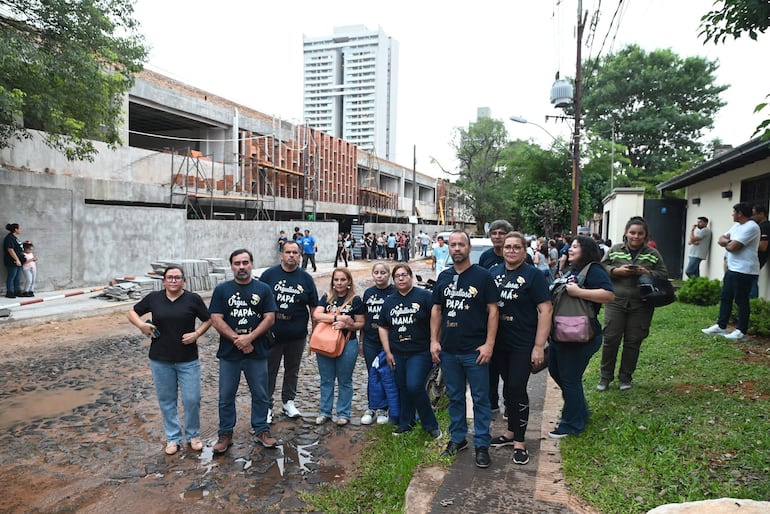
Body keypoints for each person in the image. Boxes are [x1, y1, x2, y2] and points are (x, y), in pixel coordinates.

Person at [430, 230, 499, 468]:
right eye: (453, 245)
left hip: (475, 351)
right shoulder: (444, 276)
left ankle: (482, 444)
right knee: (455, 397)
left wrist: (489, 344)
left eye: (461, 244)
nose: (457, 248)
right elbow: (436, 310)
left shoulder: (483, 276)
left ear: (469, 248)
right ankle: (458, 439)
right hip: (449, 350)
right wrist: (434, 341)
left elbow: (493, 311)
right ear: (447, 248)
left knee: (480, 399)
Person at [127, 266, 212, 455]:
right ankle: (173, 438)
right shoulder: (154, 298)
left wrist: (197, 333)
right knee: (167, 400)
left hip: (188, 359)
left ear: (184, 280)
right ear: (164, 281)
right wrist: (141, 325)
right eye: (170, 277)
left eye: (177, 277)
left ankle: (193, 435)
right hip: (160, 359)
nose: (173, 280)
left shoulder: (193, 299)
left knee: (192, 399)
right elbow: (132, 312)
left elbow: (208, 319)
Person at [488, 232, 551, 464]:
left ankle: (520, 442)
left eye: (516, 247)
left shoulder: (534, 275)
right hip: (499, 343)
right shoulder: (493, 273)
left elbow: (546, 310)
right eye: (508, 247)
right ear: (502, 249)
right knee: (507, 388)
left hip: (523, 343)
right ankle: (510, 433)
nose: (511, 250)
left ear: (525, 251)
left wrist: (539, 346)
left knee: (517, 387)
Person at [209, 249, 278, 454]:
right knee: (226, 395)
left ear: (252, 264)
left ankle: (261, 429)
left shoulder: (263, 289)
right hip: (229, 353)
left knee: (260, 393)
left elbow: (270, 318)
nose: (241, 267)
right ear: (231, 266)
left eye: (245, 262)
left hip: (257, 351)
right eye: (237, 263)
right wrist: (237, 339)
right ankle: (225, 434)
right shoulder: (222, 290)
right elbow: (216, 319)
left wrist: (250, 337)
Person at [548, 236, 614, 438]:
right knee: (556, 372)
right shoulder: (573, 269)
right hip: (561, 333)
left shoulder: (594, 270)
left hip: (580, 335)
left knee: (570, 379)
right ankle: (580, 410)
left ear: (586, 249)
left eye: (575, 246)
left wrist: (578, 292)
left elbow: (608, 295)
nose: (570, 249)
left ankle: (572, 424)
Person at [599, 216, 668, 391]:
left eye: (640, 233)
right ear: (626, 233)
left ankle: (625, 378)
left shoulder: (653, 254)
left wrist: (647, 272)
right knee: (611, 339)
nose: (636, 236)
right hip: (616, 301)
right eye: (632, 233)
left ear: (645, 235)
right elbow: (601, 268)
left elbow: (663, 274)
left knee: (633, 342)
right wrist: (616, 271)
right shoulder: (615, 250)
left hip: (642, 304)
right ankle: (605, 378)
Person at [378, 263, 441, 438]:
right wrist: (388, 352)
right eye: (397, 276)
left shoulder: (424, 296)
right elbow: (382, 326)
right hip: (398, 351)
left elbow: (437, 318)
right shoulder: (389, 301)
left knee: (414, 385)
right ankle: (407, 423)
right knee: (403, 388)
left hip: (420, 351)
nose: (401, 279)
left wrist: (435, 341)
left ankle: (430, 425)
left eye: (404, 275)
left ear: (411, 276)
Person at [261, 240, 319, 422]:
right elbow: (259, 303)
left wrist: (315, 332)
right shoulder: (269, 275)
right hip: (272, 334)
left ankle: (288, 401)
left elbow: (314, 307)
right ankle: (266, 406)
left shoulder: (306, 278)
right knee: (269, 370)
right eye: (288, 252)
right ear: (281, 254)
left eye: (295, 252)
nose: (291, 255)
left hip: (297, 334)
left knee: (292, 369)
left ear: (300, 255)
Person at [312, 267, 365, 426]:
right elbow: (316, 315)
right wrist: (338, 318)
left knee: (345, 380)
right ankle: (325, 412)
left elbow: (361, 323)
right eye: (336, 280)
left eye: (343, 279)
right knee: (326, 379)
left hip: (347, 343)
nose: (339, 283)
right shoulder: (327, 297)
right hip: (325, 342)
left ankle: (343, 413)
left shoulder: (355, 300)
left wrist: (348, 325)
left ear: (349, 281)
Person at [702, 202, 761, 341]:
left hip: (745, 270)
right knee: (725, 297)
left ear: (740, 213)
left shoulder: (752, 227)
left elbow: (733, 247)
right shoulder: (737, 226)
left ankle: (741, 331)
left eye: (734, 212)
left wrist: (728, 242)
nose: (732, 214)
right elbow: (721, 239)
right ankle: (721, 326)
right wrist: (728, 242)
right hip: (732, 268)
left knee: (741, 300)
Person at [360, 262, 395, 425]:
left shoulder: (394, 292)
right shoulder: (368, 293)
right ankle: (372, 407)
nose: (379, 276)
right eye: (376, 273)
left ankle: (384, 408)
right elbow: (364, 318)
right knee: (372, 374)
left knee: (387, 374)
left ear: (389, 275)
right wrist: (361, 341)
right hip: (370, 340)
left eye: (383, 273)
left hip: (388, 340)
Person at [750, 205, 768, 298]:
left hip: (758, 258)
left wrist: (745, 245)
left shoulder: (765, 227)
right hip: (753, 257)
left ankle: (753, 302)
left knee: (751, 281)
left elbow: (763, 246)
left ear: (761, 214)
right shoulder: (758, 226)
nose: (752, 217)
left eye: (754, 214)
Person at [4, 223, 24, 298]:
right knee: (12, 276)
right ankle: (9, 292)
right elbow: (10, 249)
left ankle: (17, 291)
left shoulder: (15, 238)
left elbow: (18, 247)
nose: (20, 230)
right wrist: (17, 259)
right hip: (12, 261)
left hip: (18, 261)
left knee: (17, 277)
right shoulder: (9, 238)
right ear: (16, 229)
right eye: (19, 228)